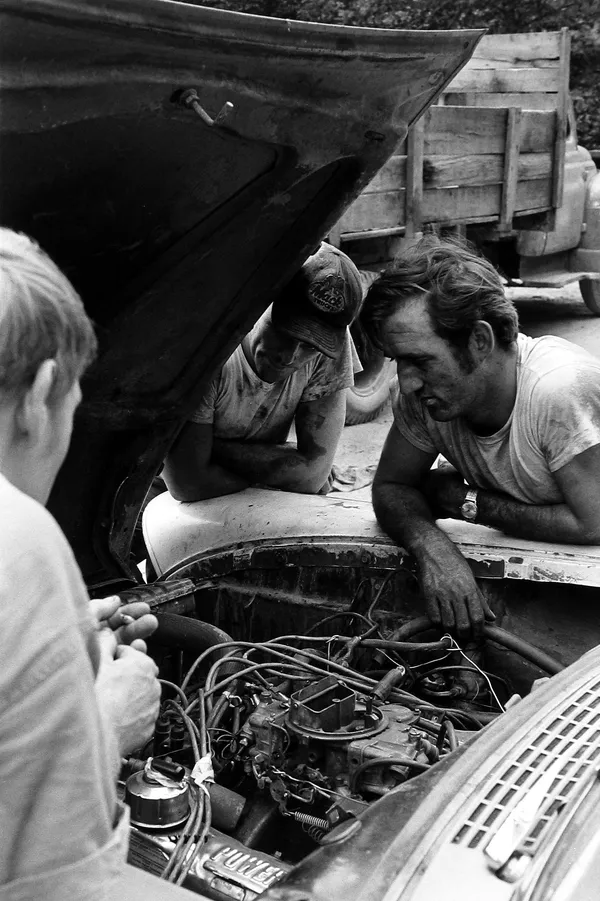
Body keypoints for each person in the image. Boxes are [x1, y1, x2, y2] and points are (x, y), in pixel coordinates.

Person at [0, 228, 161, 899]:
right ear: (41, 394)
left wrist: (50, 653)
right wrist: (106, 723)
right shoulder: (19, 540)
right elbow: (52, 886)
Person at [363, 235, 600, 638]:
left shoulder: (555, 389)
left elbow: (592, 523)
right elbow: (391, 485)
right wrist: (433, 548)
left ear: (479, 341)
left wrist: (464, 502)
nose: (406, 384)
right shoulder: (427, 397)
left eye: (419, 361)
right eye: (398, 362)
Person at [163, 242, 363, 502]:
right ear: (263, 302)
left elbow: (312, 477)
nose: (290, 357)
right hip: (161, 497)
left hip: (234, 487)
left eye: (309, 346)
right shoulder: (212, 345)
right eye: (285, 333)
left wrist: (208, 452)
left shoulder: (329, 343)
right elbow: (187, 484)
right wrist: (287, 467)